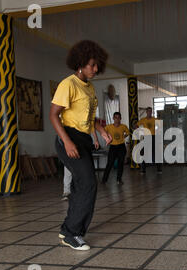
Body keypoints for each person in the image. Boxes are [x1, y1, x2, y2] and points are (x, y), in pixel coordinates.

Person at [49, 40, 112, 250]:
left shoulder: (90, 87)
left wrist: (101, 131)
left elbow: (89, 118)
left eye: (97, 65)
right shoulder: (68, 84)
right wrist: (67, 142)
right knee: (88, 183)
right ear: (81, 62)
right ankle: (71, 233)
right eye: (92, 65)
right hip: (68, 137)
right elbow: (54, 115)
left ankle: (69, 229)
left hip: (84, 138)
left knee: (80, 185)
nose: (95, 69)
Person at [62, 131, 99, 200]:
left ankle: (83, 190)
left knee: (85, 169)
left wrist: (96, 140)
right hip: (70, 142)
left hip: (83, 143)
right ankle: (67, 192)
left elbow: (92, 125)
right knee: (68, 169)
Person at [102, 112, 130, 185]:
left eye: (118, 118)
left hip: (121, 146)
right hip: (113, 147)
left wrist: (123, 137)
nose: (117, 119)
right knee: (110, 163)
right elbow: (103, 132)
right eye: (115, 117)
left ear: (120, 118)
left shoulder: (123, 126)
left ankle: (119, 179)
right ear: (113, 118)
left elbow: (127, 133)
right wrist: (107, 137)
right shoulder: (109, 127)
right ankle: (104, 180)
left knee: (120, 164)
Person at [135, 107, 162, 174]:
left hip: (153, 137)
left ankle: (159, 170)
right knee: (143, 153)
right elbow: (136, 125)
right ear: (146, 112)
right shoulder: (143, 120)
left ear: (151, 112)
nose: (149, 112)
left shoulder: (155, 119)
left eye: (150, 111)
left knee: (156, 153)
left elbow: (160, 126)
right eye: (148, 111)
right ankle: (143, 170)